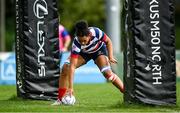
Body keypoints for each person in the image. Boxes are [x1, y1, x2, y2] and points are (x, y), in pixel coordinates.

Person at [52, 20, 124, 105]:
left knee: (108, 74)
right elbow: (72, 66)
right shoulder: (76, 42)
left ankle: (127, 93)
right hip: (84, 53)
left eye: (84, 41)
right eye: (80, 41)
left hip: (98, 51)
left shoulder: (97, 32)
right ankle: (60, 99)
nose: (82, 43)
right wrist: (70, 88)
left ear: (89, 35)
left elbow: (108, 41)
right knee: (65, 68)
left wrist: (110, 56)